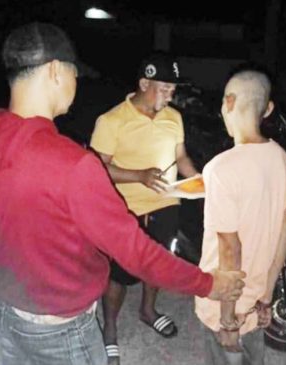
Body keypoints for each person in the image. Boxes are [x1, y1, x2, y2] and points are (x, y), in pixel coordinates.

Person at [0, 22, 246, 365]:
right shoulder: (74, 164)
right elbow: (137, 253)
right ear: (54, 72)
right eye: (74, 73)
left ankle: (149, 311)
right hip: (60, 332)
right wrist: (209, 284)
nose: (76, 83)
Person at [88, 52, 200, 364]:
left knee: (157, 265)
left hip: (166, 204)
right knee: (120, 275)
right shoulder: (112, 121)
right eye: (164, 88)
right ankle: (110, 327)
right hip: (127, 210)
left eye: (173, 90)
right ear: (143, 83)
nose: (170, 95)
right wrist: (138, 175)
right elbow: (97, 167)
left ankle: (148, 311)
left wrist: (199, 180)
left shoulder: (173, 118)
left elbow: (181, 158)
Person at [194, 68, 286, 365]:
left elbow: (230, 249)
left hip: (223, 306)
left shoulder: (221, 168)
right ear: (267, 108)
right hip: (254, 303)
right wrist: (266, 297)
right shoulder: (281, 158)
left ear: (228, 102)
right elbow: (284, 228)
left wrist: (227, 321)